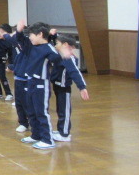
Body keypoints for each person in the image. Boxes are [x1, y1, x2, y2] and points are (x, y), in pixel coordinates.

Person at [21, 21, 89, 150]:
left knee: (46, 112)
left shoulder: (53, 51)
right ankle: (37, 135)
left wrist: (82, 87)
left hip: (45, 85)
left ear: (40, 34)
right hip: (36, 83)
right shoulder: (35, 46)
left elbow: (72, 70)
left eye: (31, 35)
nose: (30, 37)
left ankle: (50, 139)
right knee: (33, 111)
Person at [51, 34, 88, 142]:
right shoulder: (60, 55)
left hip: (64, 88)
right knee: (59, 109)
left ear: (65, 44)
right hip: (57, 86)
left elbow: (75, 72)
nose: (55, 45)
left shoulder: (69, 58)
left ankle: (64, 134)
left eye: (57, 43)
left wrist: (82, 87)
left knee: (64, 110)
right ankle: (61, 129)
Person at [0, 24, 31, 133]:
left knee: (27, 103)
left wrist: (12, 67)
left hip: (27, 80)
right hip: (18, 79)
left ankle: (32, 122)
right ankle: (23, 123)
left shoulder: (29, 48)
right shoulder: (19, 50)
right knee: (19, 103)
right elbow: (10, 38)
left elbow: (13, 38)